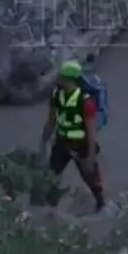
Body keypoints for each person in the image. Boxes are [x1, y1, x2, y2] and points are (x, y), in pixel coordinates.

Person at [38, 60, 107, 211]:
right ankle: (52, 207)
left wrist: (90, 156)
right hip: (62, 142)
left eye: (60, 75)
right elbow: (51, 120)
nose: (57, 77)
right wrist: (44, 141)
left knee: (89, 176)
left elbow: (91, 130)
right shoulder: (56, 95)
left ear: (68, 79)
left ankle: (100, 201)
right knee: (52, 175)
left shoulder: (85, 102)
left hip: (80, 145)